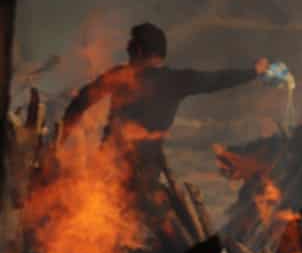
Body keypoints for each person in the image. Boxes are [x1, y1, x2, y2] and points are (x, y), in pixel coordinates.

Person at [61, 22, 268, 204]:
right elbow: (217, 80)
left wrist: (60, 139)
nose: (128, 52)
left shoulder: (119, 76)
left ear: (140, 51)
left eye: (131, 48)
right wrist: (254, 72)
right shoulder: (175, 80)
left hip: (110, 169)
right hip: (145, 174)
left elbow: (80, 102)